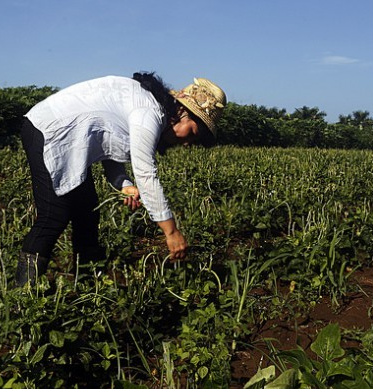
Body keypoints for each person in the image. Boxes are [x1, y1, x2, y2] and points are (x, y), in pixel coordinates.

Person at [15, 72, 226, 286]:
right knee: (54, 214)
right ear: (183, 112)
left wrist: (124, 185)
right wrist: (171, 231)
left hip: (67, 136)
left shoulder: (148, 106)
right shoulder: (149, 112)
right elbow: (145, 174)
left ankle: (88, 284)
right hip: (49, 129)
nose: (188, 143)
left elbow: (107, 145)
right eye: (192, 133)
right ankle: (24, 297)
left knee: (87, 211)